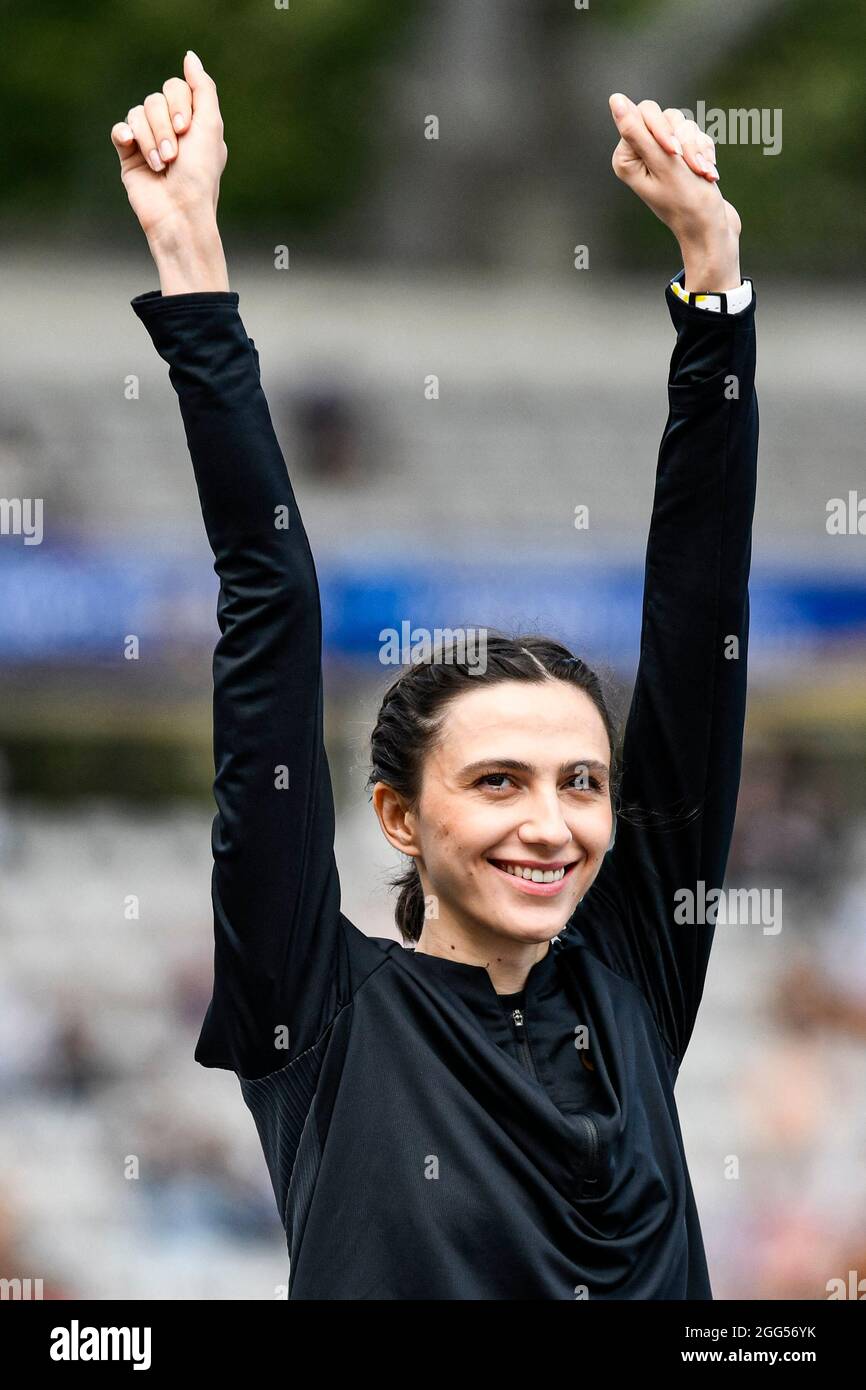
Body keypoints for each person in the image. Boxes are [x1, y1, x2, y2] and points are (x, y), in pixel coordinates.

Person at [113, 53, 758, 1299]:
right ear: (401, 816)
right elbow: (271, 600)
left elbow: (696, 624)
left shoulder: (631, 975)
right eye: (500, 780)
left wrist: (712, 278)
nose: (550, 821)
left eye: (581, 781)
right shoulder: (318, 1010)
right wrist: (190, 255)